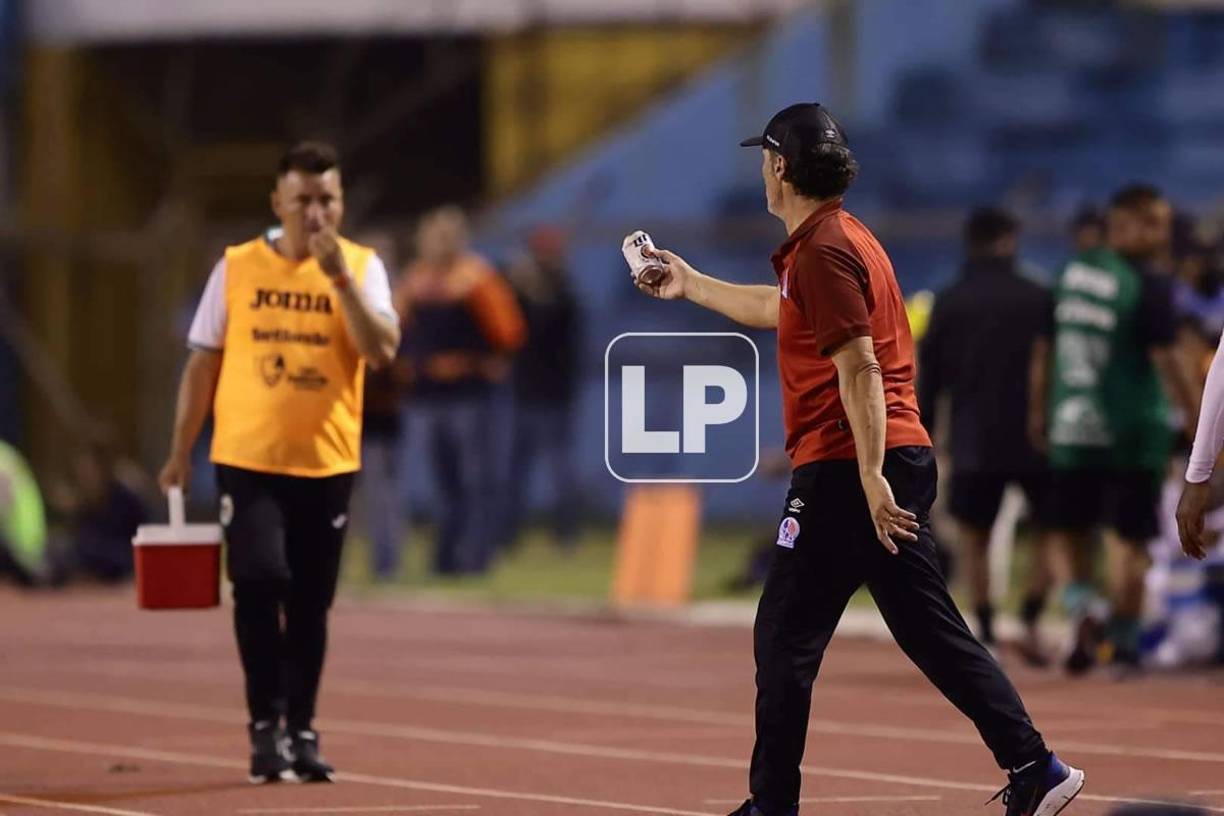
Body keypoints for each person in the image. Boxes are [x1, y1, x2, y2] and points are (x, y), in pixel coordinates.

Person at [630, 102, 1082, 816]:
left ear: (780, 166)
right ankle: (1035, 764)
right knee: (928, 630)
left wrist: (869, 476)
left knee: (784, 634)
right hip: (880, 455)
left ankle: (772, 805)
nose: (760, 170)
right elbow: (782, 312)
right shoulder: (837, 239)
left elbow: (861, 366)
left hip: (850, 462)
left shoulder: (824, 249)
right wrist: (690, 283)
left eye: (763, 159)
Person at [158, 141, 400, 784]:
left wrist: (338, 279)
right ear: (278, 203)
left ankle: (303, 727)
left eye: (328, 200)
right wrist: (180, 450)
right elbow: (203, 360)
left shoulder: (362, 267)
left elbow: (380, 351)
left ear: (341, 203)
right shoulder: (237, 266)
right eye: (304, 201)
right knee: (261, 581)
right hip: (249, 458)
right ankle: (265, 726)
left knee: (312, 603)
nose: (317, 213)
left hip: (326, 462)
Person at [1031, 184, 1201, 674]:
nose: (1163, 235)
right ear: (1128, 223)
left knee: (1066, 532)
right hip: (1133, 432)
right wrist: (1197, 421)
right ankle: (1123, 643)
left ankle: (1083, 605)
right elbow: (1168, 359)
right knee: (1129, 539)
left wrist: (1038, 414)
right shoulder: (1148, 282)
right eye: (1156, 224)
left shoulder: (1066, 275)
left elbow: (1043, 354)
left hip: (1071, 426)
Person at [918, 207, 1052, 661]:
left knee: (975, 535)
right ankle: (1032, 618)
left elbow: (929, 378)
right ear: (1008, 239)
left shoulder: (950, 299)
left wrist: (924, 436)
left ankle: (988, 628)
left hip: (973, 436)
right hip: (1037, 437)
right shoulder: (1037, 294)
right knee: (1053, 531)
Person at [395, 206, 525, 574]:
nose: (442, 242)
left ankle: (475, 557)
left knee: (476, 481)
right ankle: (446, 558)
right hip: (426, 397)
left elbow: (508, 333)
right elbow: (394, 330)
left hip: (469, 394)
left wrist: (481, 361)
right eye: (436, 234)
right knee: (443, 484)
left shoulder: (476, 277)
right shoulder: (415, 280)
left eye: (449, 235)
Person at [503, 225, 581, 551]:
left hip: (553, 396)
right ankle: (507, 536)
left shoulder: (563, 292)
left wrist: (530, 289)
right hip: (523, 394)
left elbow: (557, 326)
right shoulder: (519, 293)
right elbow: (513, 332)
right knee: (515, 474)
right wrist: (519, 286)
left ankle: (565, 535)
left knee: (559, 474)